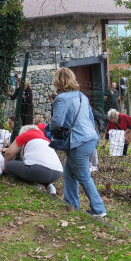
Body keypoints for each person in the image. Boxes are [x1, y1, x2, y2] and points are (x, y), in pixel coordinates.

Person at [49, 67, 106, 218]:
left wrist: (49, 127)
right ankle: (71, 205)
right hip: (90, 138)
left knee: (83, 176)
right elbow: (89, 118)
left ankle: (99, 209)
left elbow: (57, 123)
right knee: (69, 171)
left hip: (78, 141)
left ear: (58, 81)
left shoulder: (61, 98)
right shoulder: (82, 96)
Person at [2, 124, 63, 195]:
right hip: (57, 173)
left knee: (9, 165)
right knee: (38, 169)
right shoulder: (45, 139)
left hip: (40, 171)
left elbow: (8, 153)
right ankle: (49, 185)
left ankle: (32, 184)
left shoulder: (25, 135)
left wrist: (5, 166)